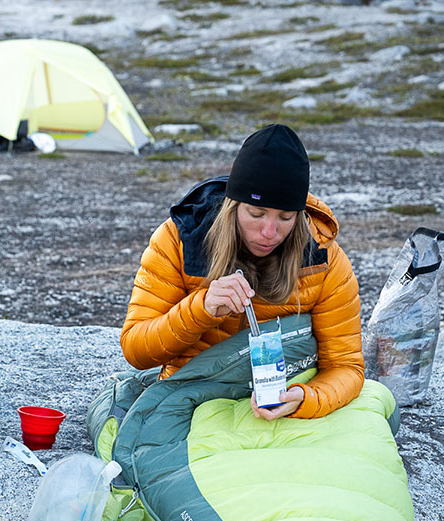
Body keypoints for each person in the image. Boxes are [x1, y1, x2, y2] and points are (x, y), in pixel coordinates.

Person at [120, 123, 363, 419]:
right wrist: (201, 309)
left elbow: (346, 366)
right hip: (191, 400)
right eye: (256, 214)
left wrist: (306, 398)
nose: (269, 232)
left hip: (281, 404)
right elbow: (136, 350)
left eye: (285, 217)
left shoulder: (324, 260)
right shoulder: (179, 239)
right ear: (233, 205)